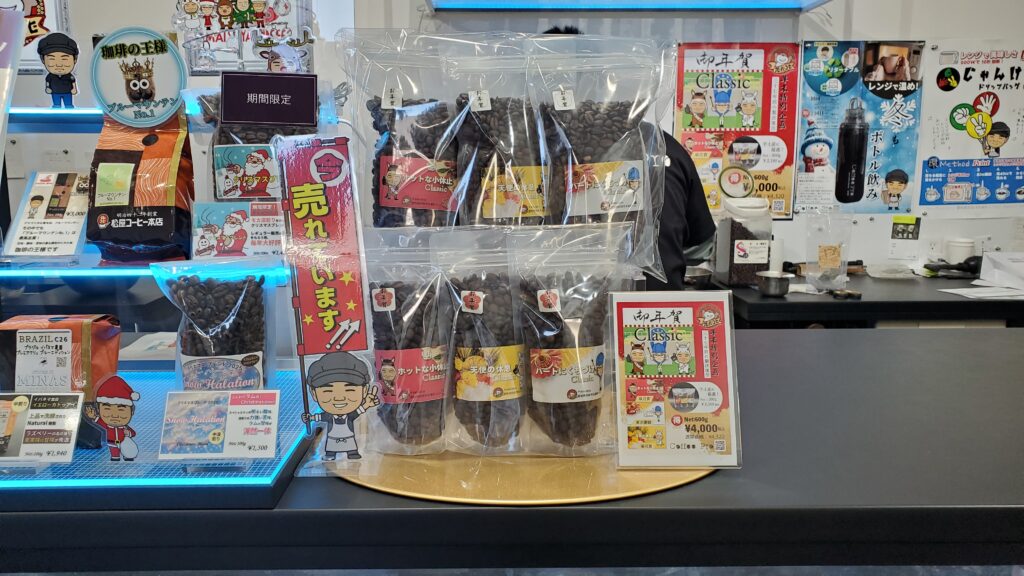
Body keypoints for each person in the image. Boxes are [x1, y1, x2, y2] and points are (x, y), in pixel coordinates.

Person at [544, 26, 716, 290]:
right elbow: (700, 244)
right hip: (657, 307)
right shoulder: (661, 146)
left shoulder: (532, 154)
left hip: (566, 303)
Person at [37, 32, 79, 109]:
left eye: (64, 59)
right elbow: (47, 82)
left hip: (67, 93)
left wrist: (74, 89)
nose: (59, 64)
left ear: (75, 59)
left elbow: (73, 82)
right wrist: (47, 88)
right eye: (52, 59)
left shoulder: (69, 76)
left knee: (69, 106)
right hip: (55, 93)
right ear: (43, 60)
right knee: (56, 106)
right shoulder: (50, 76)